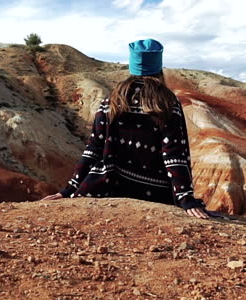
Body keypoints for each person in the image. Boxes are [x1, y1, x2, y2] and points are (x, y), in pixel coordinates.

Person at [42, 39, 211, 219]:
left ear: (132, 67)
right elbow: (173, 154)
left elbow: (93, 148)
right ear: (159, 68)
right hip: (154, 193)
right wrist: (185, 198)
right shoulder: (166, 102)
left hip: (107, 187)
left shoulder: (113, 99)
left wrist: (69, 189)